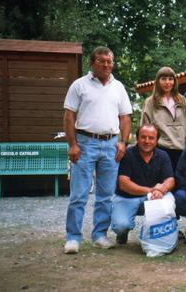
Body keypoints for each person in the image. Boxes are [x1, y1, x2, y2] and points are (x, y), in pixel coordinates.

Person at [63, 46, 132, 254]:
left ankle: (99, 235)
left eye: (110, 61)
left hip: (111, 144)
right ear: (92, 63)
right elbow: (69, 117)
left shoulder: (118, 87)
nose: (106, 65)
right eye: (102, 61)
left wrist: (123, 142)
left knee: (106, 194)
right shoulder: (79, 85)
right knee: (79, 193)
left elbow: (126, 117)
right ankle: (73, 237)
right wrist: (72, 144)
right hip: (85, 142)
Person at [111, 124, 175, 244]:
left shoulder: (163, 155)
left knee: (169, 201)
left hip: (152, 198)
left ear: (156, 140)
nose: (147, 141)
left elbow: (170, 180)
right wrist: (151, 190)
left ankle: (159, 237)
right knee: (121, 226)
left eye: (151, 138)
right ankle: (122, 234)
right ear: (137, 138)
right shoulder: (128, 154)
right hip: (127, 198)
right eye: (143, 137)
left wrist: (162, 189)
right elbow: (124, 184)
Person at [140, 66, 186, 171]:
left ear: (174, 81)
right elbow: (145, 125)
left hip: (181, 149)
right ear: (158, 81)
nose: (167, 82)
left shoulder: (182, 100)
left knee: (180, 181)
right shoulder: (150, 102)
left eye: (170, 79)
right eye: (163, 79)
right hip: (160, 149)